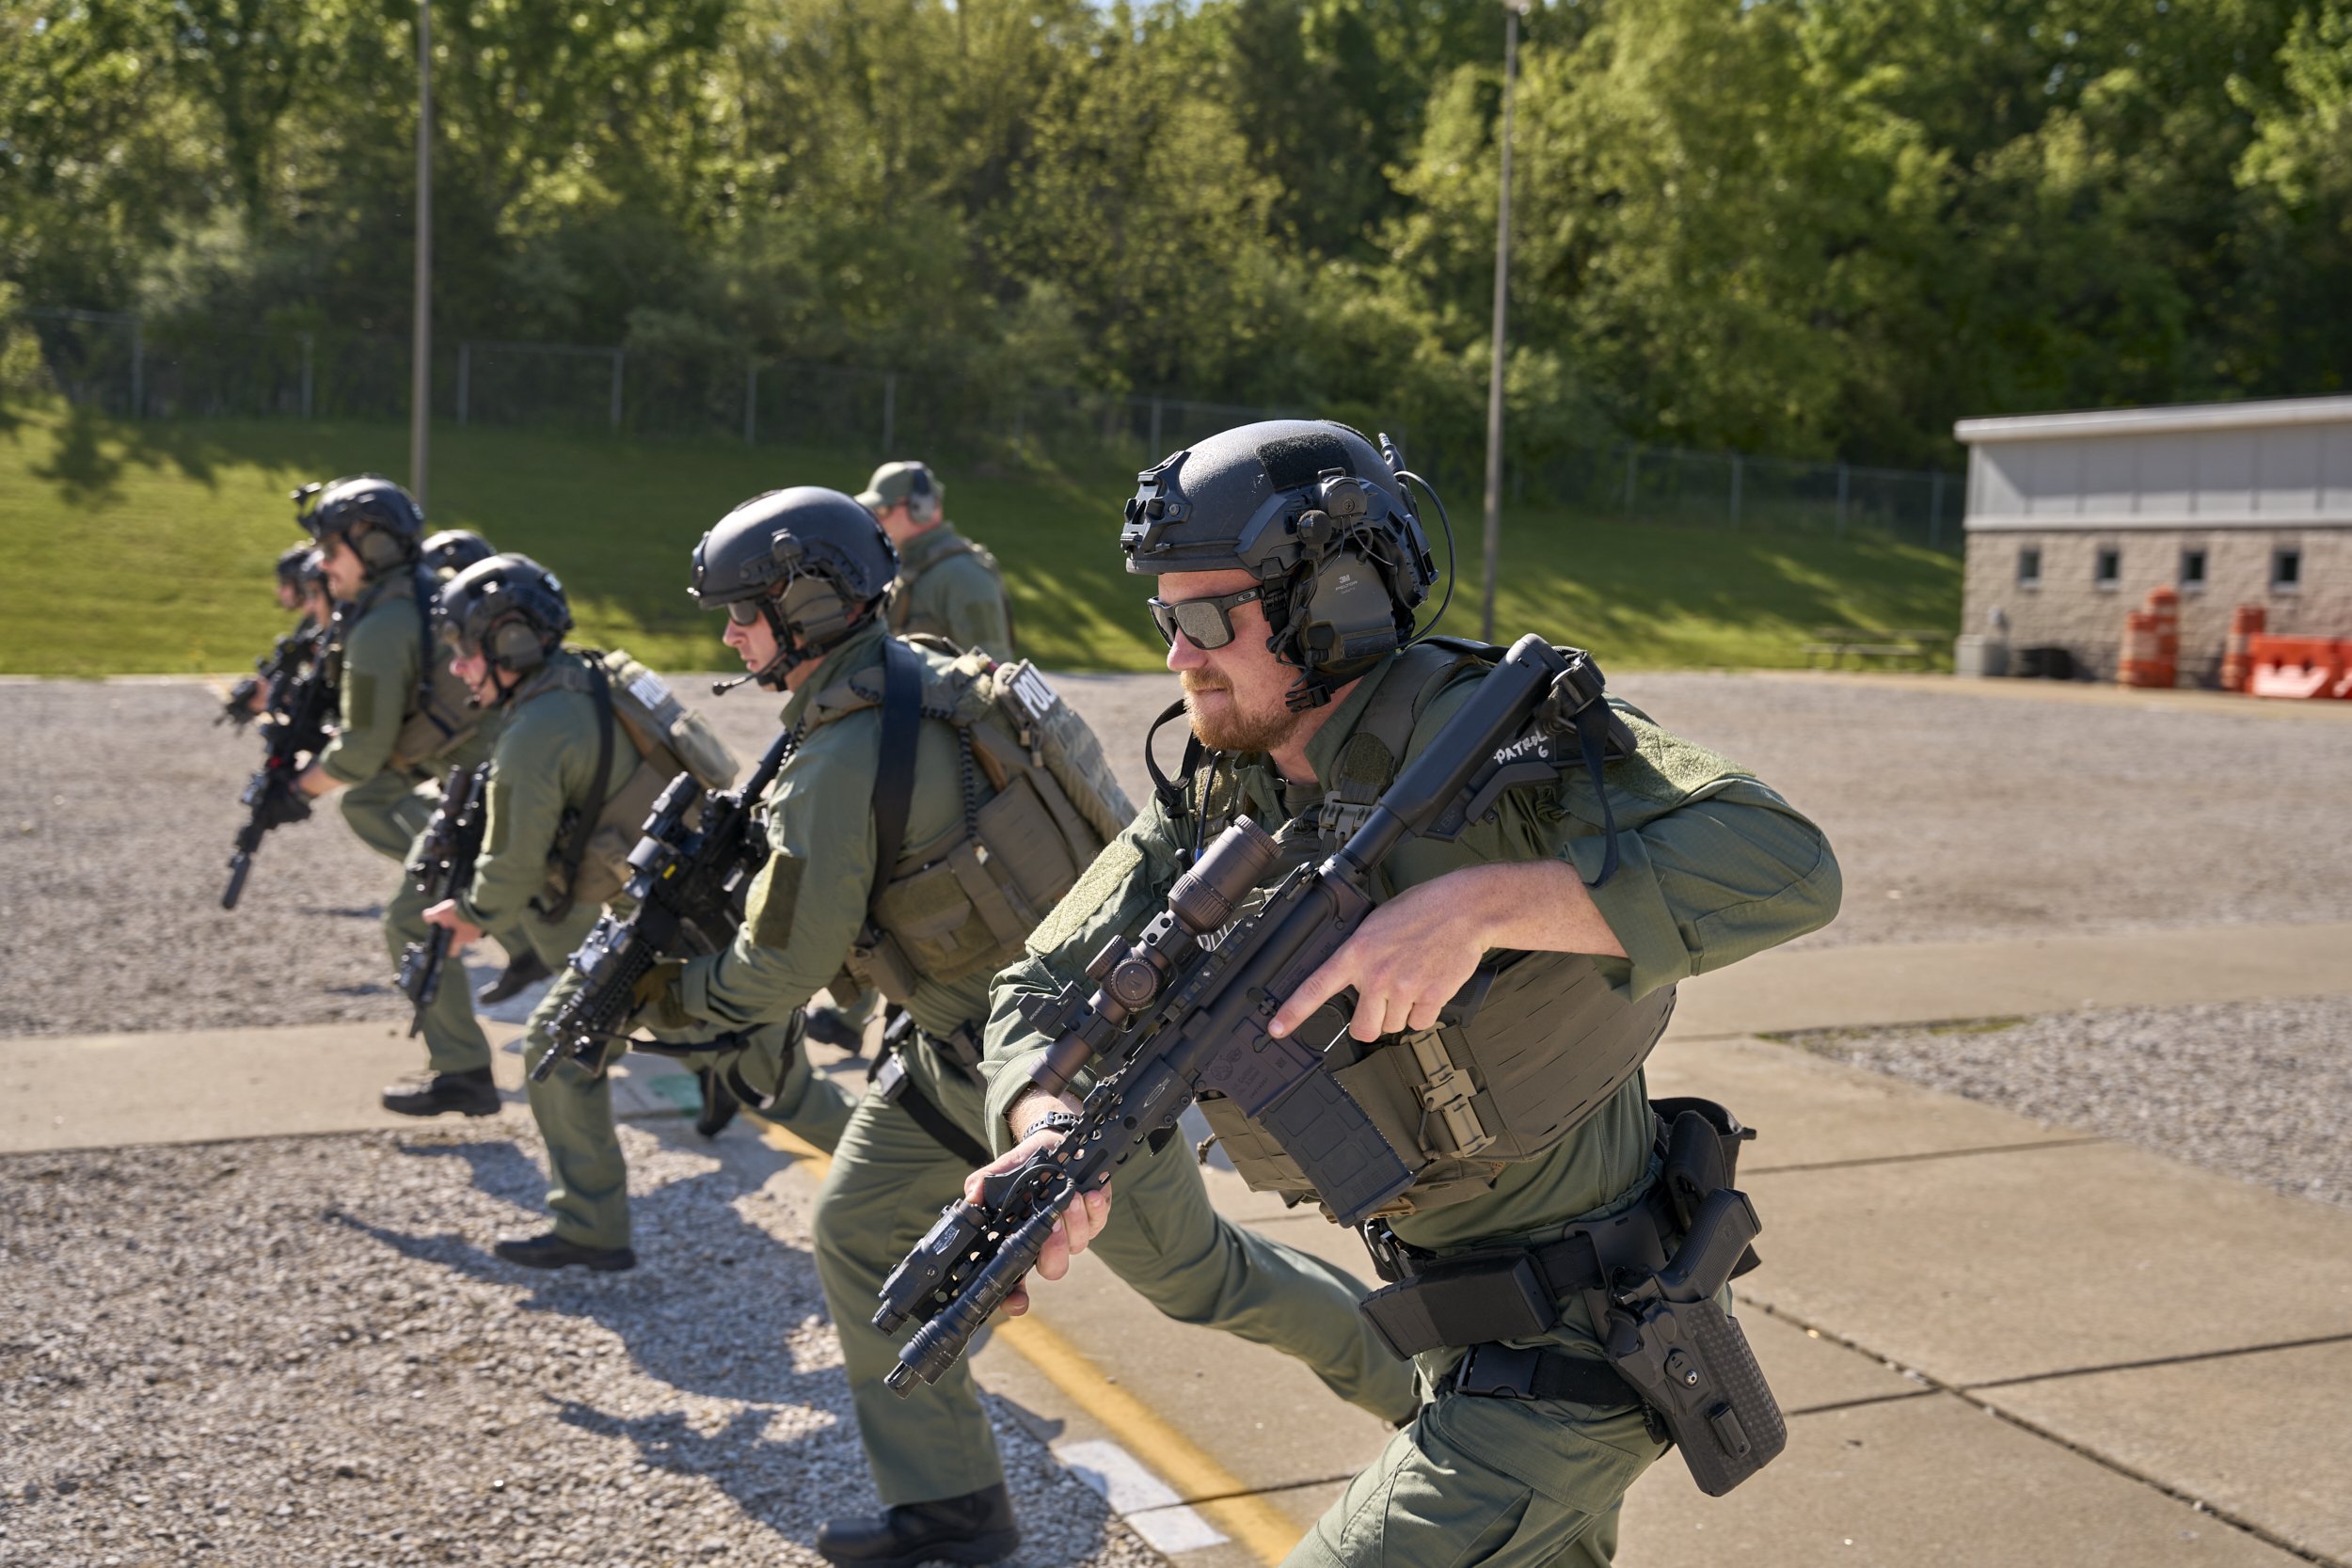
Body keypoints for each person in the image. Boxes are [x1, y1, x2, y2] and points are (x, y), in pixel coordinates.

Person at [979, 419, 1843, 1568]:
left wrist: (1481, 904)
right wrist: (1041, 1120)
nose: (1177, 656)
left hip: (1586, 1345)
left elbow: (1786, 858)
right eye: (1164, 618)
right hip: (1461, 1339)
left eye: (1206, 621)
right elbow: (1039, 983)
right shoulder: (1228, 788)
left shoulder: (1487, 731)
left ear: (1328, 603)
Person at [661, 485, 1417, 1568]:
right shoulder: (920, 676)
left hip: (1076, 1062)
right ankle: (950, 1504)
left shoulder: (840, 754)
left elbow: (780, 964)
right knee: (860, 1227)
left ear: (811, 605)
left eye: (745, 611)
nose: (731, 635)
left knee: (1202, 1277)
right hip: (960, 1044)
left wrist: (674, 998)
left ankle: (1429, 1393)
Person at [394, 552, 857, 1261]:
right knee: (592, 1050)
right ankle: (593, 1223)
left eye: (465, 650)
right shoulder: (595, 672)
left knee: (771, 1085)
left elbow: (510, 868)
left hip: (677, 922)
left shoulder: (533, 731)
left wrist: (470, 916)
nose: (456, 668)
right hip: (700, 900)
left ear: (509, 644)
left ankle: (927, 1184)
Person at [284, 477, 538, 1104]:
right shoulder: (420, 593)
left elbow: (362, 749)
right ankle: (520, 933)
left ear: (372, 548)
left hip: (506, 782)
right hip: (500, 770)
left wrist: (297, 789)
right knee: (368, 799)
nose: (322, 565)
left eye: (332, 550)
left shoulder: (382, 623)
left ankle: (464, 1072)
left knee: (411, 918)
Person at [809, 460, 1017, 1051]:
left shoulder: (962, 576)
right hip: (918, 746)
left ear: (920, 510)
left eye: (884, 510)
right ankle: (855, 1019)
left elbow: (995, 675)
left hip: (955, 759)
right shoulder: (910, 570)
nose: (875, 519)